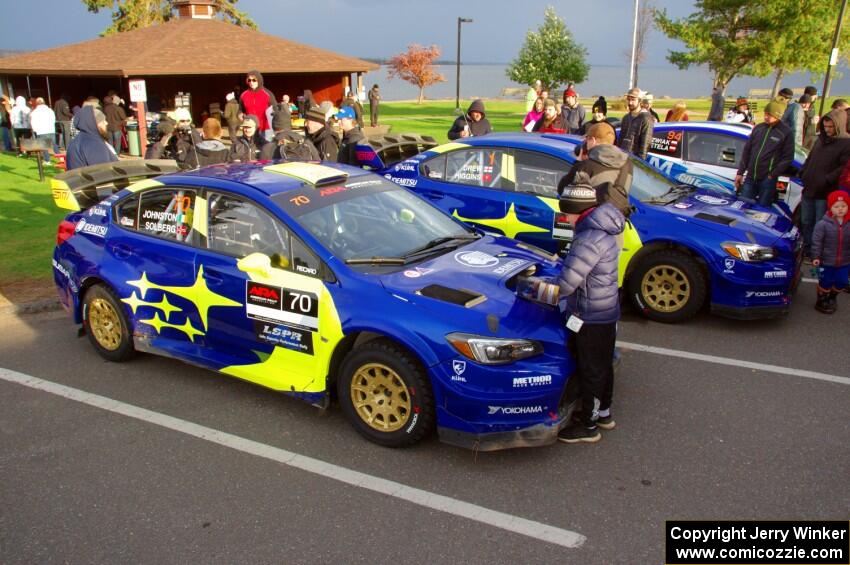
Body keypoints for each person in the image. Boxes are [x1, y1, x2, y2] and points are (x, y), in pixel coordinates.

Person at [553, 179, 625, 444]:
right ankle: (603, 413)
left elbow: (565, 285)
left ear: (576, 210)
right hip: (606, 309)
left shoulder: (587, 239)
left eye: (566, 213)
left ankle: (588, 426)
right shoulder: (601, 228)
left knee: (591, 369)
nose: (565, 218)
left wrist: (532, 289)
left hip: (590, 315)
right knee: (603, 364)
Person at [800, 109, 850, 259]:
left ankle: (816, 253)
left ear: (839, 125)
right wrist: (803, 172)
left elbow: (843, 167)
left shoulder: (846, 143)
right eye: (825, 126)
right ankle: (807, 250)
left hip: (825, 191)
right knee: (805, 221)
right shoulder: (819, 139)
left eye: (830, 127)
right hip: (809, 187)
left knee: (819, 224)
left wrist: (827, 179)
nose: (827, 130)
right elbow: (810, 158)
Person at [558, 122, 633, 217]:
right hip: (616, 221)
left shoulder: (585, 166)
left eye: (587, 140)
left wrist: (578, 163)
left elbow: (563, 190)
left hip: (591, 221)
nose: (586, 144)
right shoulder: (627, 163)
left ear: (592, 140)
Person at [734, 100, 794, 207]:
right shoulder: (758, 128)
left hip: (768, 179)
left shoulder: (786, 132)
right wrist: (740, 172)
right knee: (742, 206)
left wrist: (772, 175)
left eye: (769, 115)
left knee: (762, 210)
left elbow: (788, 157)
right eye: (765, 113)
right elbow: (747, 150)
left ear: (778, 116)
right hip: (751, 176)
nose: (766, 117)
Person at [811, 190, 850, 313]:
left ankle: (832, 297)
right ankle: (821, 300)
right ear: (830, 207)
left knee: (842, 281)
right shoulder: (822, 224)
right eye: (836, 206)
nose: (840, 209)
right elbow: (817, 242)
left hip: (845, 261)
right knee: (825, 281)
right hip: (827, 261)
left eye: (843, 206)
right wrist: (816, 256)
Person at [65, 106, 118, 170]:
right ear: (93, 123)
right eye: (102, 121)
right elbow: (104, 172)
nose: (106, 123)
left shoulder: (78, 140)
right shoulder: (93, 143)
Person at [618, 87, 653, 159]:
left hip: (635, 160)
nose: (630, 103)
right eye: (628, 99)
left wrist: (640, 163)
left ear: (640, 101)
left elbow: (645, 144)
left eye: (633, 100)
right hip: (623, 158)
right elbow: (621, 140)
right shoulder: (626, 118)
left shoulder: (646, 118)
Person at [239, 70, 275, 141]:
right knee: (251, 149)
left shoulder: (267, 94)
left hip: (266, 128)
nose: (251, 82)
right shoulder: (243, 95)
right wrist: (240, 114)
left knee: (265, 149)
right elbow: (240, 109)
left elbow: (275, 109)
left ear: (259, 80)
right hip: (250, 127)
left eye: (254, 80)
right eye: (249, 80)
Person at [29, 97, 56, 162]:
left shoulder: (34, 112)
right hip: (51, 129)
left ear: (37, 103)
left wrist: (34, 129)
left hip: (41, 131)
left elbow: (32, 122)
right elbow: (53, 119)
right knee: (54, 144)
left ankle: (47, 160)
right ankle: (61, 157)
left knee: (44, 147)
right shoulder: (50, 110)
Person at [803, 86, 819, 150]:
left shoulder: (812, 106)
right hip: (804, 136)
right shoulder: (802, 105)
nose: (816, 97)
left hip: (811, 135)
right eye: (814, 95)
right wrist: (811, 121)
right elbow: (799, 120)